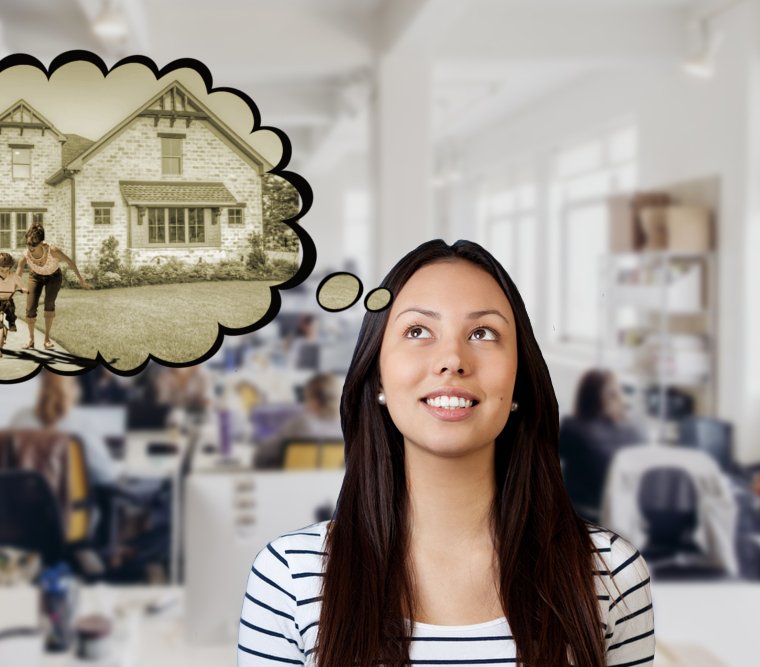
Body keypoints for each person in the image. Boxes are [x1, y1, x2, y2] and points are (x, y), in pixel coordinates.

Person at [238, 240, 654, 666]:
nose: (452, 359)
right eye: (417, 331)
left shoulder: (611, 574)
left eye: (482, 333)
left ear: (519, 379)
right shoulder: (290, 578)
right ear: (378, 375)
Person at [560, 369, 647, 523]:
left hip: (586, 514)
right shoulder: (634, 430)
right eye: (614, 394)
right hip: (619, 517)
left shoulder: (572, 427)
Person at [16, 223, 90, 350]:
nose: (30, 247)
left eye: (33, 244)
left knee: (49, 304)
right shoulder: (25, 255)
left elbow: (70, 262)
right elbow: (19, 270)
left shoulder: (53, 251)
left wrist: (81, 280)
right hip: (35, 277)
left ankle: (46, 339)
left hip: (54, 277)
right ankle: (31, 339)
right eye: (28, 243)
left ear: (41, 242)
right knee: (30, 308)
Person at [253, 373, 344, 469]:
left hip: (290, 481)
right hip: (328, 482)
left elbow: (262, 453)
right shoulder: (345, 429)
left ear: (314, 401)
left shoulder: (302, 423)